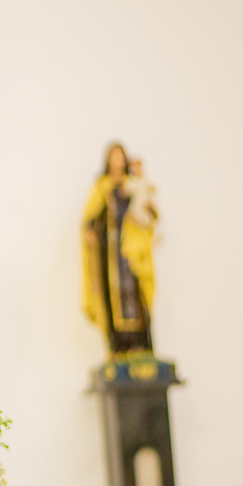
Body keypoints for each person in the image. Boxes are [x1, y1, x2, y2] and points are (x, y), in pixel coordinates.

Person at [80, 142, 156, 356]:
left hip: (131, 250)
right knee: (112, 296)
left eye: (120, 156)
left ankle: (140, 344)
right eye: (114, 157)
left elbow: (148, 210)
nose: (118, 161)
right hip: (110, 252)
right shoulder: (102, 187)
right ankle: (119, 346)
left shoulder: (134, 184)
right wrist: (90, 231)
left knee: (136, 294)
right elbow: (90, 217)